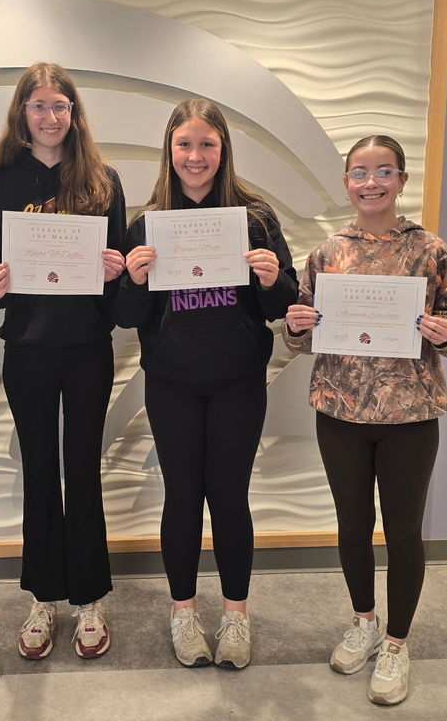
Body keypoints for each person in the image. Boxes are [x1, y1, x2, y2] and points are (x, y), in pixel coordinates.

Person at [283, 135, 447, 705]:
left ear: (401, 180)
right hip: (339, 410)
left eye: (383, 171)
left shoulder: (429, 250)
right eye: (360, 173)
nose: (371, 182)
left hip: (410, 414)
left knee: (404, 530)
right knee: (351, 524)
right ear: (346, 183)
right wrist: (294, 326)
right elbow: (301, 336)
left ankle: (396, 641)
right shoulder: (325, 254)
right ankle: (364, 620)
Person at [116, 99, 297, 670]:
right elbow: (124, 314)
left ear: (224, 150)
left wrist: (272, 278)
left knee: (230, 498)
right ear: (169, 151)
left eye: (207, 145)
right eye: (185, 145)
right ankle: (184, 612)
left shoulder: (256, 217)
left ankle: (236, 616)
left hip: (239, 381)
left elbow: (283, 304)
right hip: (171, 381)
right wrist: (138, 278)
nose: (196, 157)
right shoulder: (145, 223)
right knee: (182, 498)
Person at [0, 63, 126, 660]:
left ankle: (89, 599)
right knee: (39, 472)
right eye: (38, 106)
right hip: (29, 349)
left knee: (83, 471)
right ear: (22, 114)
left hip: (88, 346)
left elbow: (119, 282)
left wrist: (115, 273)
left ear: (73, 113)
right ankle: (42, 597)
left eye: (59, 105)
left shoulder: (103, 180)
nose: (49, 116)